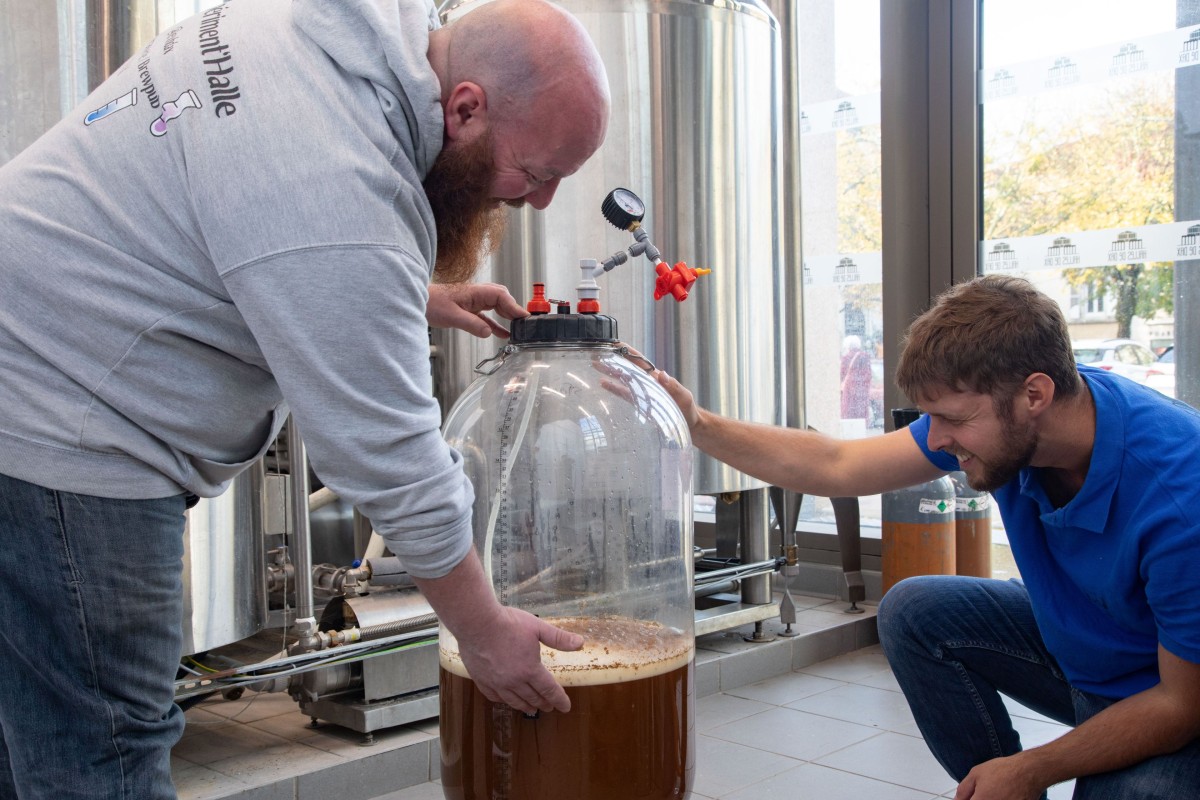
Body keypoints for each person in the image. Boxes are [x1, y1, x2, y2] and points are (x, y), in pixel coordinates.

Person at [0, 0, 609, 796]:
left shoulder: (321, 38)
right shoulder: (332, 171)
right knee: (102, 757)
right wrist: (482, 629)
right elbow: (388, 455)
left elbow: (247, 214)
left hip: (28, 381)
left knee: (35, 741)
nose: (538, 203)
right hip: (64, 432)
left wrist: (399, 293)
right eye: (536, 173)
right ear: (464, 108)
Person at [653, 275, 1200, 799]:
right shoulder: (1014, 419)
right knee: (915, 610)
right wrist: (697, 423)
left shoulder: (1181, 494)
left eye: (954, 419)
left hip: (1170, 701)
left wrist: (1034, 766)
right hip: (1091, 650)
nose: (938, 440)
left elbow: (1180, 705)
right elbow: (839, 463)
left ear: (1035, 393)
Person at [840, 333, 873, 421]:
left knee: (849, 414)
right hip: (862, 392)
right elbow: (869, 375)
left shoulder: (846, 358)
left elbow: (842, 374)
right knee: (861, 414)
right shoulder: (865, 357)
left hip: (849, 391)